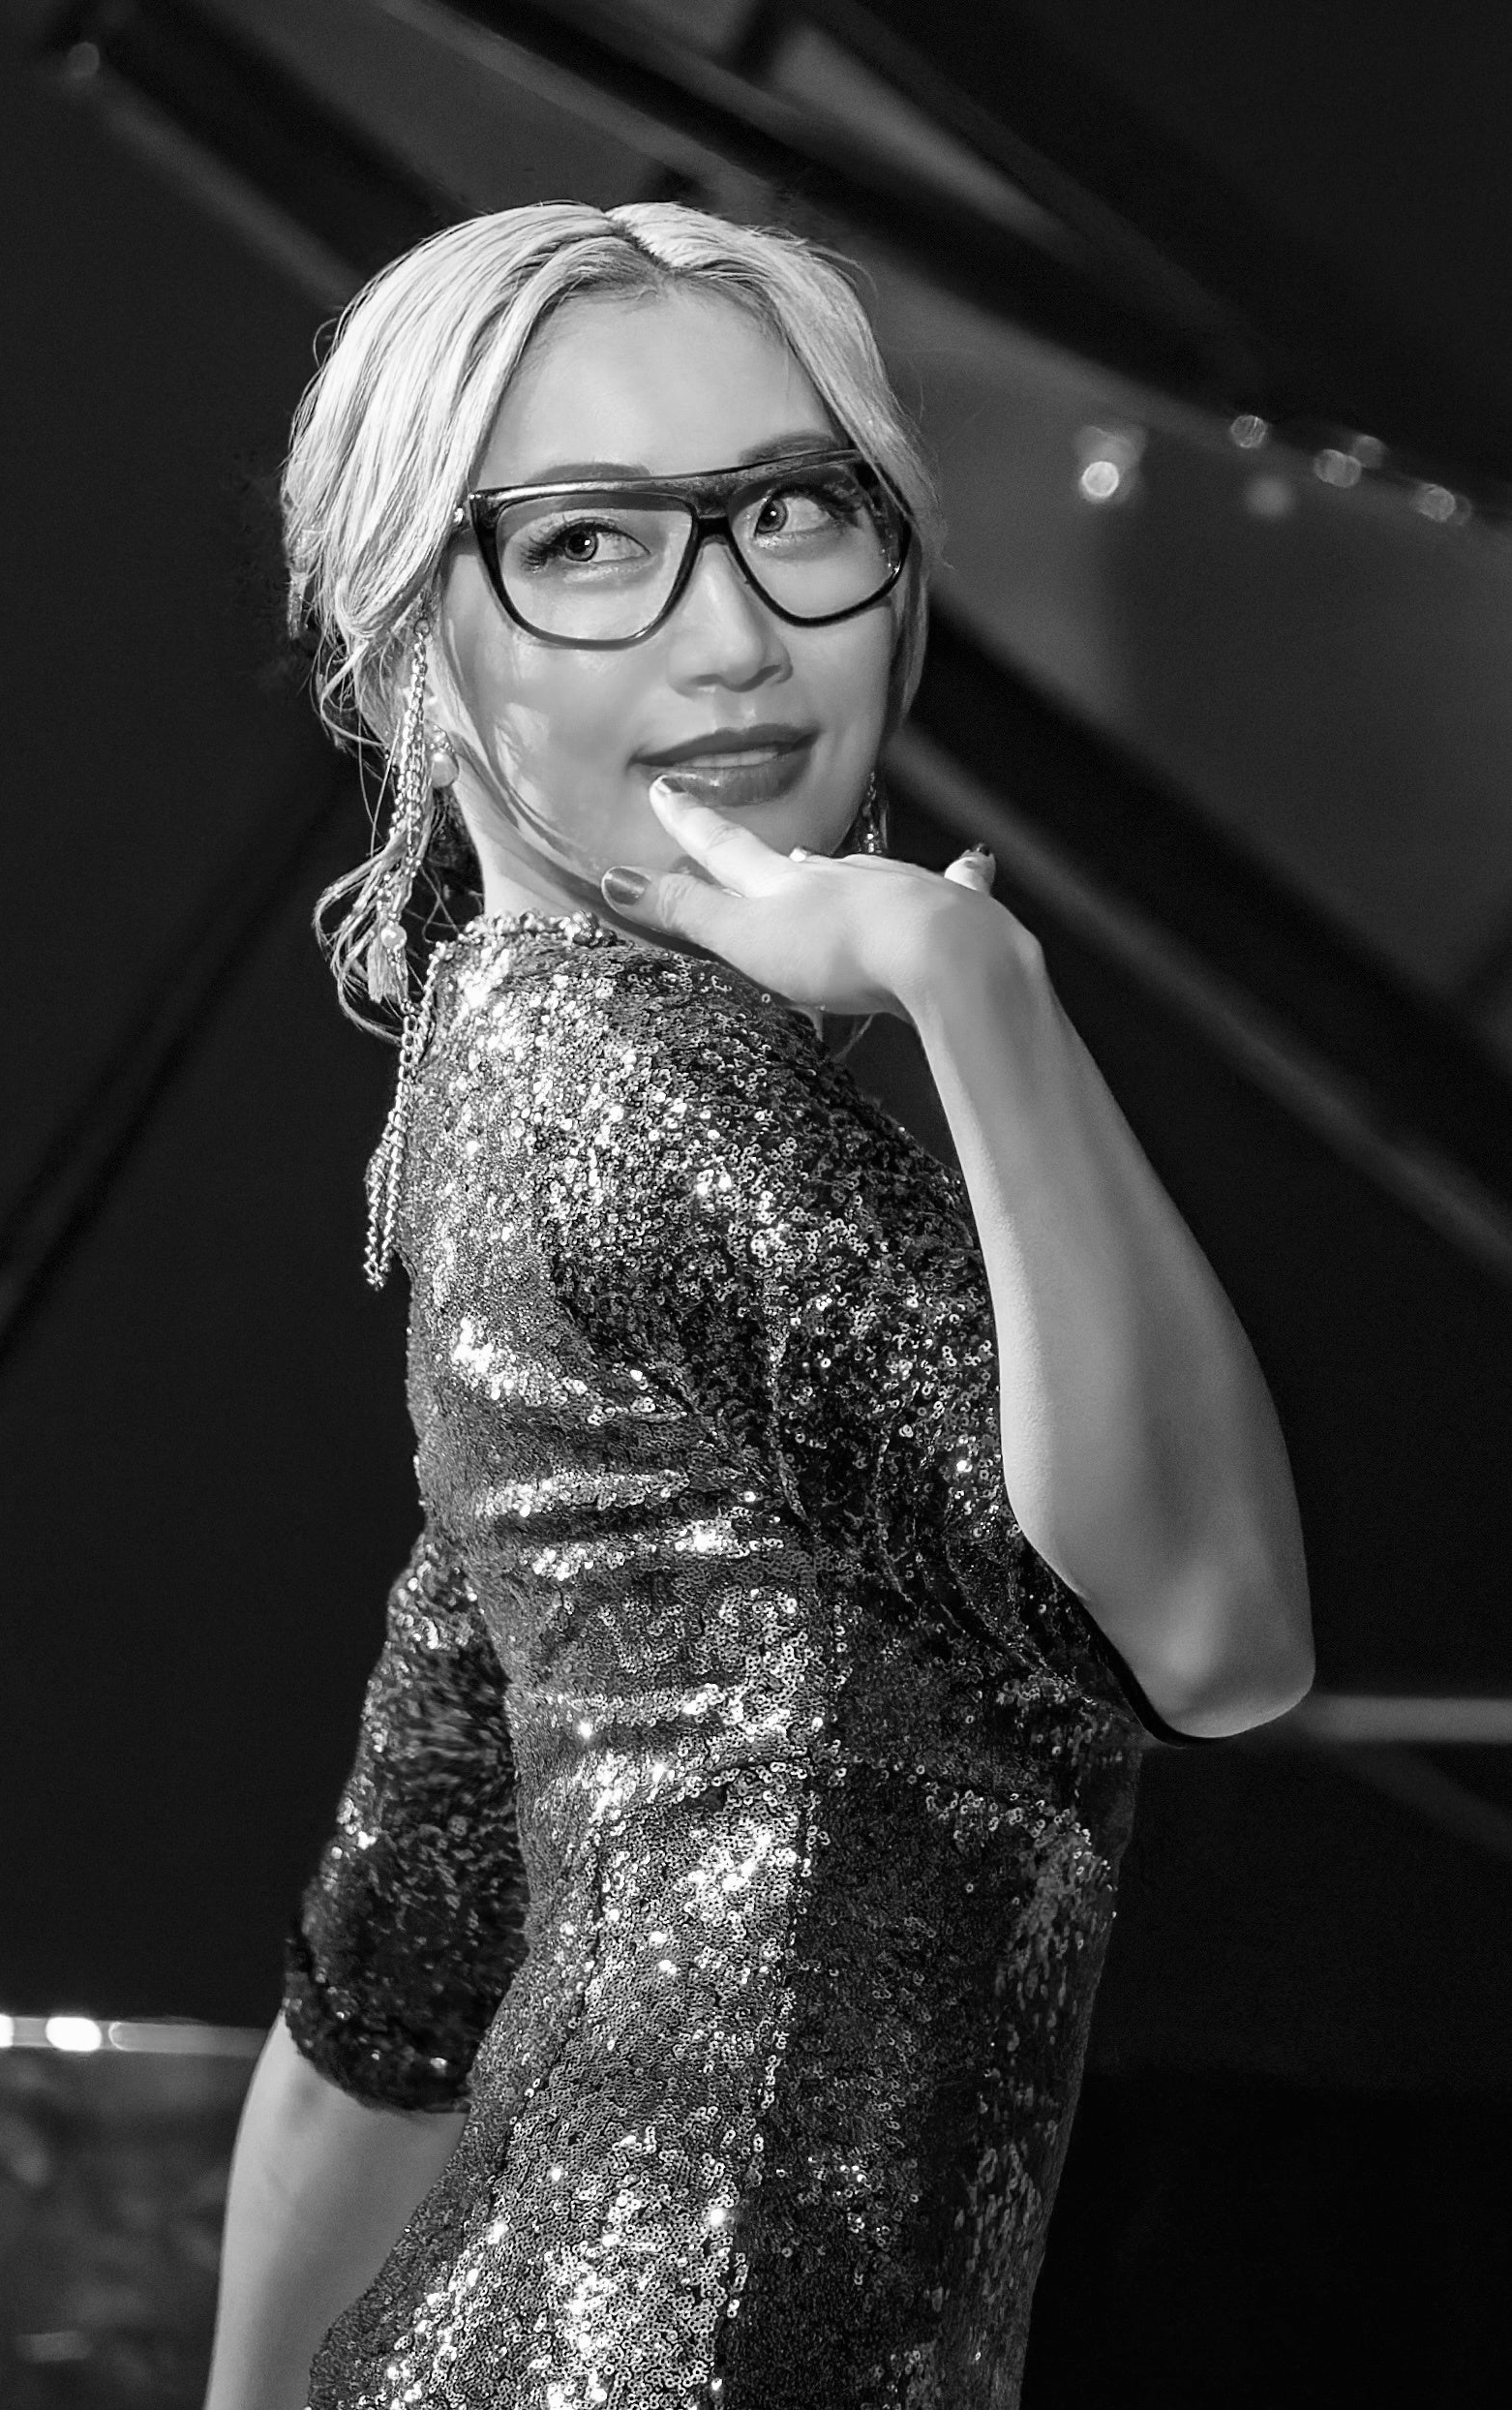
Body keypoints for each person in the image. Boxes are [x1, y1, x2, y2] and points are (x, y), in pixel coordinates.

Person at [202, 200, 1314, 2410]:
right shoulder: (654, 1105)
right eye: (589, 544)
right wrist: (973, 985)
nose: (733, 638)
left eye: (795, 511)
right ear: (415, 639)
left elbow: (397, 1973)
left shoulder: (502, 1080)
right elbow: (1218, 1632)